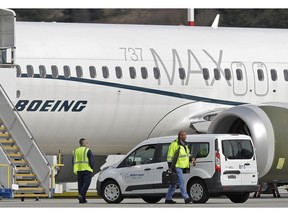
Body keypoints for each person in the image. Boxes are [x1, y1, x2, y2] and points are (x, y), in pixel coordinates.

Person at [165, 131, 196, 204]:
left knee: (174, 183)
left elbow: (187, 155)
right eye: (184, 135)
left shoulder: (185, 144)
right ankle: (186, 198)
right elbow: (169, 157)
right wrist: (170, 168)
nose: (185, 136)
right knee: (181, 182)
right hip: (177, 166)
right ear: (180, 136)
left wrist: (192, 159)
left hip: (183, 166)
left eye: (185, 135)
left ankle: (168, 198)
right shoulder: (174, 144)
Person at [72, 138, 94, 203]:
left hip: (78, 170)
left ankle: (82, 199)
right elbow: (91, 160)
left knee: (80, 184)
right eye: (86, 143)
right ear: (83, 143)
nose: (87, 144)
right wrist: (92, 167)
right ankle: (81, 195)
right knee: (86, 184)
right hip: (87, 169)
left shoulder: (75, 151)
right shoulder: (87, 150)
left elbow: (73, 161)